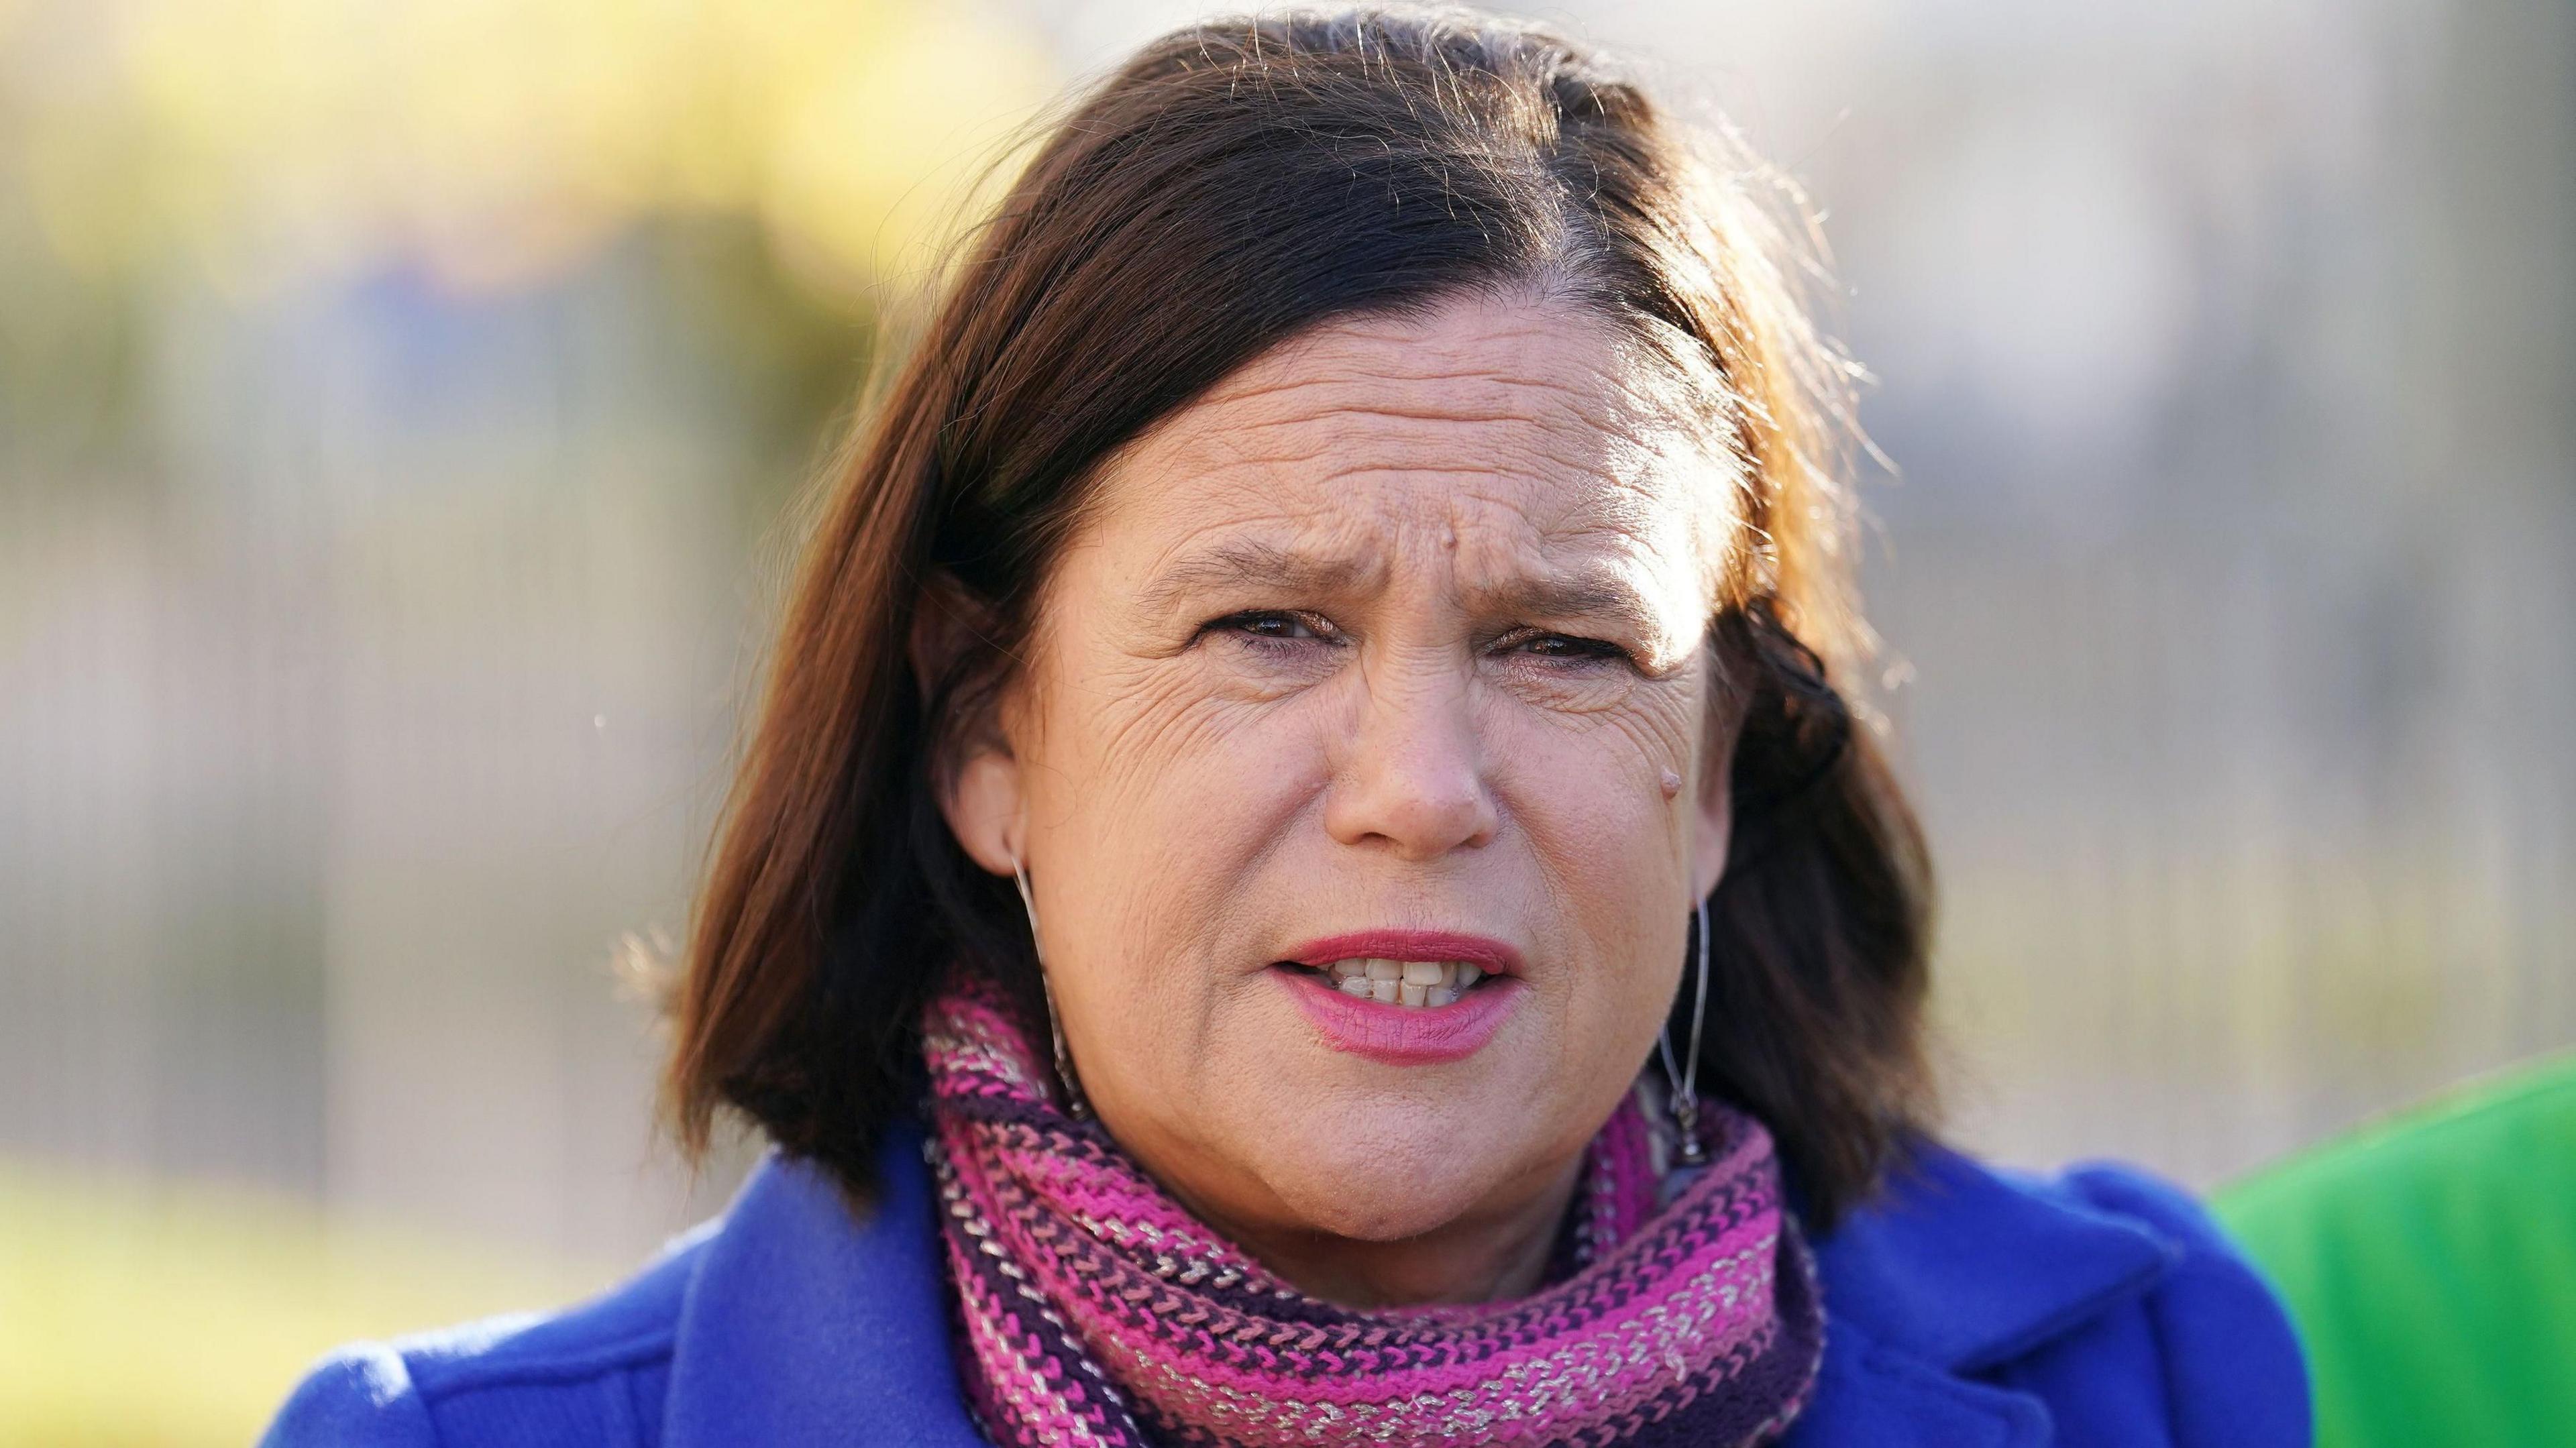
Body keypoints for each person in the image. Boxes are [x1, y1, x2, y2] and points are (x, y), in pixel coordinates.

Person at [262, 9, 2309, 1445]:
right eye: (1268, 629)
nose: (1418, 787)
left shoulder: (2150, 1382)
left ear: (1719, 772)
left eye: (1564, 647)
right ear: (987, 731)